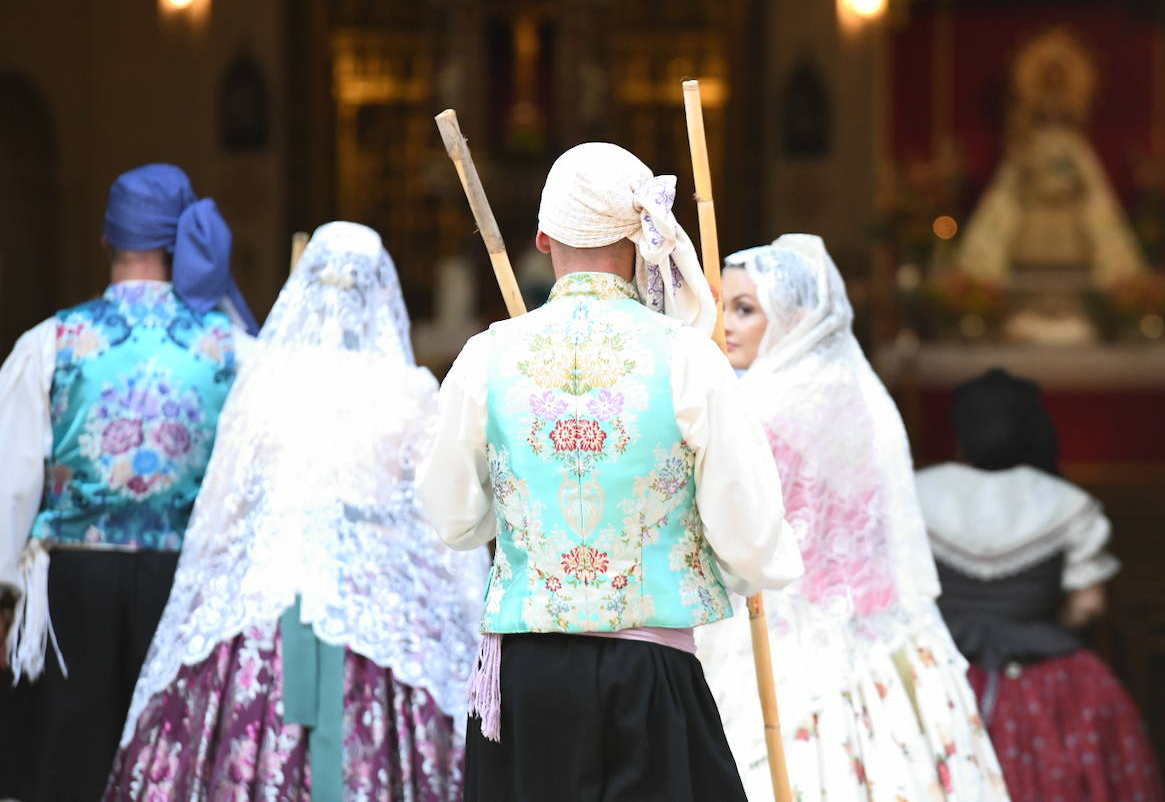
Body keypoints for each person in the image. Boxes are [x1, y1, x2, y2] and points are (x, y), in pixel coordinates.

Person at [418, 142, 802, 802]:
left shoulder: (490, 354)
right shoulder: (687, 357)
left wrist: (515, 525)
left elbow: (452, 518)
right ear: (639, 236)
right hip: (649, 669)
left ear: (542, 238)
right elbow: (751, 534)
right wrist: (717, 566)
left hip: (527, 678)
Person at [105, 221, 488, 800]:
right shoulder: (408, 390)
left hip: (267, 607)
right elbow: (443, 523)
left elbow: (224, 514)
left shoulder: (265, 382)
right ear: (381, 292)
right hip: (372, 617)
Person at [697, 233, 1008, 801]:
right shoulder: (868, 396)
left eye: (745, 309)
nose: (728, 326)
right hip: (877, 637)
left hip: (781, 634)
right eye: (723, 308)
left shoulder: (756, 407)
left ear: (793, 317)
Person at [0, 163, 256, 800]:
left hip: (74, 590)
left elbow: (10, 485)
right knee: (174, 766)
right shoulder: (234, 349)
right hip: (185, 588)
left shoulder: (51, 343)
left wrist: (6, 596)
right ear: (179, 245)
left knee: (73, 768)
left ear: (107, 242)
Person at [914, 368, 1164, 801]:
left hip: (941, 673)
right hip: (1047, 680)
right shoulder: (1066, 503)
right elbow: (1089, 605)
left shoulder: (919, 491)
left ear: (961, 431)